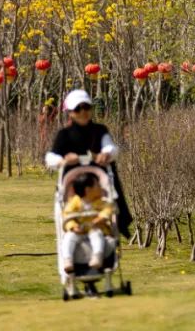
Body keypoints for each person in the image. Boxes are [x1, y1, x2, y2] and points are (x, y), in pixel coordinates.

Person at [45, 89, 133, 236]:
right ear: (71, 112)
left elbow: (110, 147)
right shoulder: (64, 134)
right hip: (73, 186)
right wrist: (63, 160)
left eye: (86, 107)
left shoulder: (99, 130)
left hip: (99, 184)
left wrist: (106, 153)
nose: (82, 112)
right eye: (78, 109)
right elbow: (51, 157)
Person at [60, 172, 114, 273]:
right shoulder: (74, 202)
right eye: (97, 185)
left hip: (95, 228)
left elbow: (108, 210)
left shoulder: (101, 202)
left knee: (97, 235)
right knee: (68, 237)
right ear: (88, 190)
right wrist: (73, 227)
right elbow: (67, 214)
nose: (101, 187)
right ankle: (67, 259)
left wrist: (101, 218)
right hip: (79, 230)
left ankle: (97, 256)